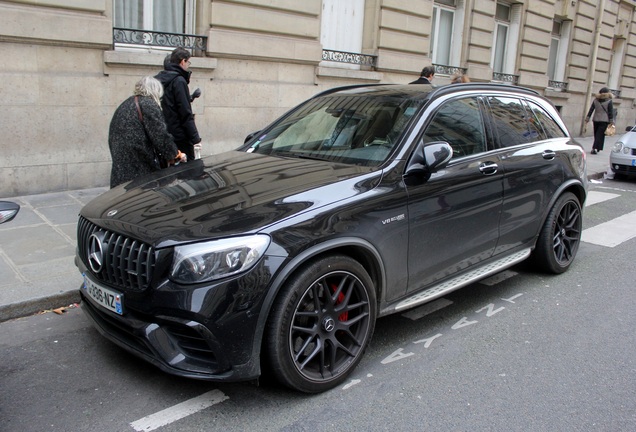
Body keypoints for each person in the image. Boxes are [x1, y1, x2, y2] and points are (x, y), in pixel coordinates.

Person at [108, 76, 186, 188]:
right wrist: (175, 154)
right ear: (156, 91)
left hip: (122, 164)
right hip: (138, 166)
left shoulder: (126, 104)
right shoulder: (148, 105)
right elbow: (160, 136)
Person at [155, 47, 202, 161]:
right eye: (188, 62)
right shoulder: (179, 81)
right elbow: (185, 113)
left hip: (164, 133)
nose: (188, 66)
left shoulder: (160, 79)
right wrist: (196, 139)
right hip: (180, 136)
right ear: (182, 61)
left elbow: (169, 103)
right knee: (188, 170)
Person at [585, 87, 614, 154]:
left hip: (596, 119)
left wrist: (587, 118)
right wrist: (611, 121)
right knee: (600, 135)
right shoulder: (609, 101)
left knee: (596, 134)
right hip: (604, 120)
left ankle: (597, 147)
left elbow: (591, 109)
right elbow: (610, 112)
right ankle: (594, 148)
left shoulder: (595, 100)